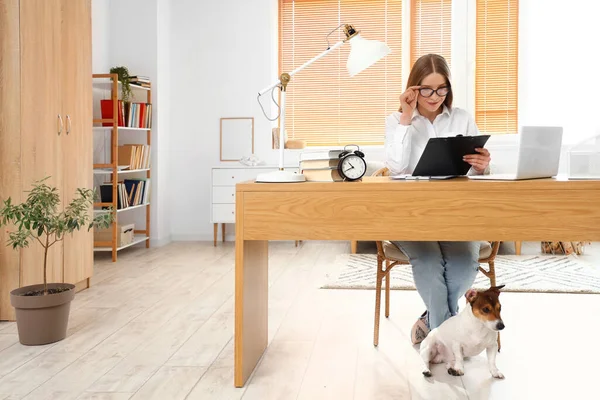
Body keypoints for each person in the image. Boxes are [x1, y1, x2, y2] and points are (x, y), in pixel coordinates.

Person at [384, 54, 491, 345]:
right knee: (429, 261)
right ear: (413, 89)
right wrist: (406, 118)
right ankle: (447, 339)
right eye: (427, 90)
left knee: (465, 263)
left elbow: (476, 172)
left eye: (441, 89)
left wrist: (482, 166)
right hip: (409, 213)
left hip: (455, 213)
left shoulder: (461, 117)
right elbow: (395, 168)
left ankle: (432, 321)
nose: (435, 97)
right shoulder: (396, 121)